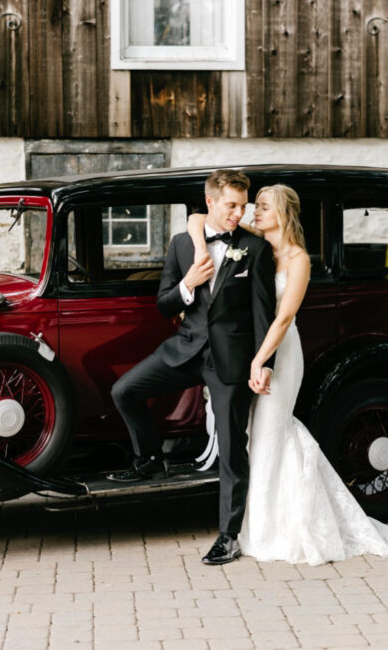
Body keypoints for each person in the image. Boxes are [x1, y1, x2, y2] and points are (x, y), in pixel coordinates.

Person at [187, 184, 388, 565]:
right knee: (254, 438)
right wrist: (200, 247)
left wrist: (261, 361)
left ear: (283, 214)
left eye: (263, 207)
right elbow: (196, 218)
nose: (254, 213)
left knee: (273, 432)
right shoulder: (253, 241)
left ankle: (283, 528)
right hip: (253, 352)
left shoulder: (298, 258)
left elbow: (284, 317)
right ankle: (259, 525)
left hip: (282, 354)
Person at [108, 169, 277, 566]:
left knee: (233, 448)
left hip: (230, 361)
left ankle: (228, 536)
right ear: (212, 203)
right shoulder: (183, 244)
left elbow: (263, 314)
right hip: (185, 350)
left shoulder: (254, 250)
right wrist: (187, 284)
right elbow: (165, 302)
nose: (239, 213)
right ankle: (149, 457)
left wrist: (263, 362)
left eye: (243, 205)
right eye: (232, 205)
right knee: (125, 390)